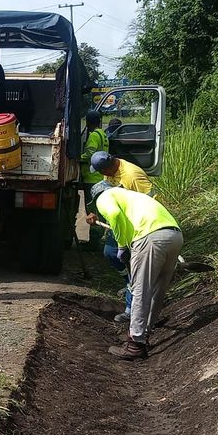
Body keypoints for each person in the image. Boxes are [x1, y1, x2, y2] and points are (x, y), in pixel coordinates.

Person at [88, 181, 183, 360]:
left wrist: (122, 245)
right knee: (158, 290)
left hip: (151, 238)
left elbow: (115, 214)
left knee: (140, 289)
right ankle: (144, 333)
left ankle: (135, 344)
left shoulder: (105, 197)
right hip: (175, 236)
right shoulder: (134, 197)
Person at [88, 151, 154, 323]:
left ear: (109, 167)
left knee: (133, 265)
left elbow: (150, 201)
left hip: (136, 224)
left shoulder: (132, 176)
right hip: (120, 221)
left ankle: (131, 310)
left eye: (102, 171)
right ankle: (128, 283)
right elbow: (104, 192)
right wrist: (94, 213)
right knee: (111, 253)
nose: (103, 175)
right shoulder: (109, 172)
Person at [80, 110, 109, 249]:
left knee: (92, 211)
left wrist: (78, 158)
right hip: (100, 178)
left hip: (91, 179)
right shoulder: (104, 135)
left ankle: (93, 243)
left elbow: (89, 154)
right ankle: (98, 240)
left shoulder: (93, 136)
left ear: (88, 122)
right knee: (99, 210)